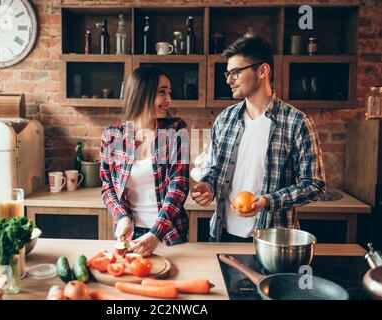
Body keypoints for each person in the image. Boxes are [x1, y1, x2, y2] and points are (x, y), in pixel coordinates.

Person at [191, 34, 326, 242]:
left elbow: (314, 184)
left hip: (271, 240)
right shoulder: (224, 120)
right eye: (227, 73)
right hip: (222, 233)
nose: (228, 80)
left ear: (263, 70)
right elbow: (216, 170)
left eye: (235, 72)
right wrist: (208, 186)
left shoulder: (297, 122)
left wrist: (267, 201)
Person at [100, 65, 190, 256]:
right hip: (129, 234)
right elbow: (107, 187)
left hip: (168, 234)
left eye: (169, 92)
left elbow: (179, 185)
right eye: (162, 92)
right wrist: (122, 217)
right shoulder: (112, 135)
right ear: (142, 93)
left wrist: (155, 233)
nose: (169, 100)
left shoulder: (175, 130)